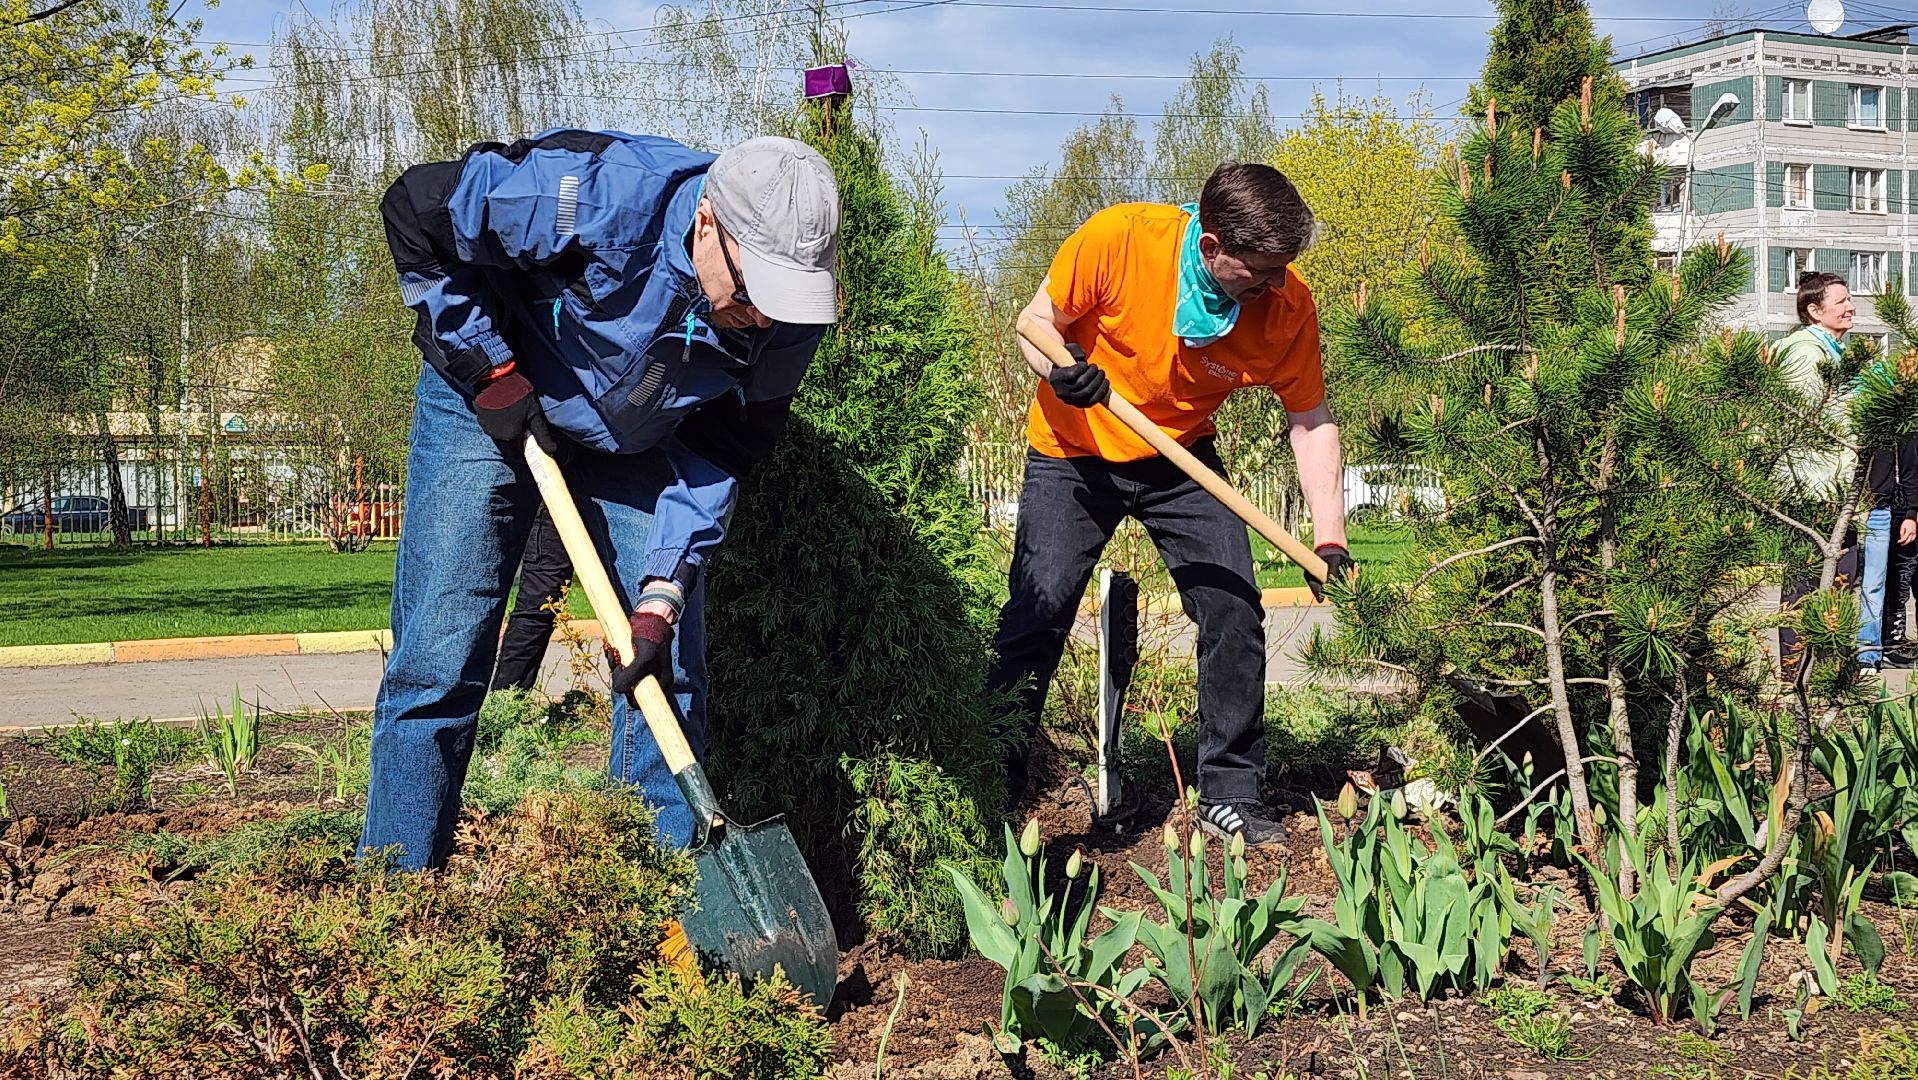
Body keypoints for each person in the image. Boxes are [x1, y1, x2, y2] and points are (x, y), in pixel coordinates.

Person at [361, 131, 841, 869]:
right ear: (707, 222)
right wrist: (489, 368)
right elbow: (417, 211)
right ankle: (393, 902)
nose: (765, 319)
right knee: (440, 654)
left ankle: (658, 921)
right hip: (494, 394)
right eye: (752, 292)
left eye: (786, 298)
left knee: (666, 663)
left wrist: (662, 591)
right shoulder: (596, 198)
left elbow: (725, 447)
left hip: (639, 435)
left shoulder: (787, 315)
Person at [991, 162, 1351, 847]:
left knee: (1234, 605)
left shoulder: (1286, 306)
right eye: (1262, 268)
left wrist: (1327, 537)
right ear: (1211, 246)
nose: (1276, 283)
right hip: (1074, 447)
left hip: (1179, 455)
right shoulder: (1122, 239)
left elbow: (1310, 418)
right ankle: (991, 783)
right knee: (1036, 617)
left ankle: (1231, 792)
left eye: (1284, 267)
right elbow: (1035, 321)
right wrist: (1062, 369)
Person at [1775, 272, 1868, 671]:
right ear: (1815, 310)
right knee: (1808, 583)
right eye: (1842, 301)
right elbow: (1808, 420)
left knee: (1839, 579)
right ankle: (1797, 673)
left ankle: (1827, 671)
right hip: (1814, 486)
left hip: (1833, 483)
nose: (1850, 307)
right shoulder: (1804, 352)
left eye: (1850, 300)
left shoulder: (1832, 352)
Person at [488, 506, 574, 692]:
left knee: (640, 614)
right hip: (561, 496)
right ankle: (504, 706)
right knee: (539, 609)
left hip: (626, 488)